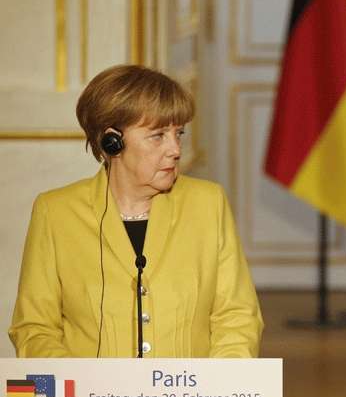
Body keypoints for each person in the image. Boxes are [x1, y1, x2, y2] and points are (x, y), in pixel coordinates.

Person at [9, 65, 263, 357]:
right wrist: (84, 391)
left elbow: (237, 317)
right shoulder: (55, 212)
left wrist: (215, 388)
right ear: (112, 142)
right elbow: (34, 328)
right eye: (158, 135)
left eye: (178, 133)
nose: (175, 149)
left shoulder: (208, 203)